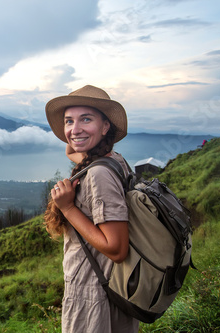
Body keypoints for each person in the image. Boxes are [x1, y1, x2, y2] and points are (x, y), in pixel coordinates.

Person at [44, 85, 139, 333]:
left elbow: (117, 249)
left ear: (106, 126)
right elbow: (70, 148)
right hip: (111, 288)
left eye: (86, 119)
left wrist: (67, 208)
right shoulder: (111, 159)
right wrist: (79, 136)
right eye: (69, 121)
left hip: (93, 293)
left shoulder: (98, 174)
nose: (74, 129)